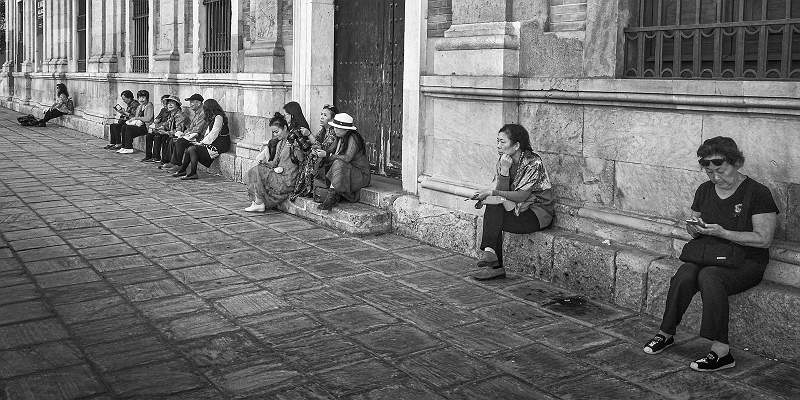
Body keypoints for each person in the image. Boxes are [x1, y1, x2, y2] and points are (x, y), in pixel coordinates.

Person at [643, 136, 778, 372]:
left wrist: (723, 232)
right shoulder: (705, 190)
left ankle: (721, 351)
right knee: (685, 273)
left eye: (721, 170)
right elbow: (694, 228)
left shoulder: (757, 193)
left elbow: (763, 239)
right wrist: (694, 227)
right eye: (709, 172)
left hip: (746, 261)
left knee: (709, 277)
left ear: (736, 163)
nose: (716, 177)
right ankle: (666, 332)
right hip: (710, 254)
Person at [469, 124, 555, 281]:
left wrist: (493, 193)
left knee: (494, 214)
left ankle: (494, 263)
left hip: (536, 214)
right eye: (497, 141)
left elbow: (522, 196)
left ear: (516, 145)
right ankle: (491, 257)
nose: (498, 146)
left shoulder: (533, 162)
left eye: (503, 142)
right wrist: (504, 171)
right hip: (516, 210)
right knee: (493, 209)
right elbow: (503, 196)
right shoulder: (503, 161)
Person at [245, 113, 306, 212]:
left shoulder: (293, 141)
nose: (275, 134)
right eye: (273, 132)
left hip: (288, 179)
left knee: (259, 171)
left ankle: (259, 203)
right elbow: (275, 162)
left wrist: (296, 147)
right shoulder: (280, 143)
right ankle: (257, 202)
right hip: (278, 174)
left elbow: (301, 159)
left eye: (276, 131)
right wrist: (264, 163)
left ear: (285, 128)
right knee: (255, 170)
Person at [312, 113, 371, 211]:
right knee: (333, 163)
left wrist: (327, 155)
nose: (335, 130)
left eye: (338, 128)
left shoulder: (353, 139)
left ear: (346, 129)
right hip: (348, 172)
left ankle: (331, 197)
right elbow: (330, 151)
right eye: (335, 127)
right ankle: (333, 195)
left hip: (360, 175)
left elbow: (347, 158)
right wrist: (320, 151)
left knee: (339, 163)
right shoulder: (339, 137)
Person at [173, 99, 231, 180]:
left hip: (220, 144)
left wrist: (202, 143)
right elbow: (208, 132)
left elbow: (214, 133)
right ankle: (183, 170)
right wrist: (201, 142)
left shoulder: (219, 117)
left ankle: (192, 173)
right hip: (213, 141)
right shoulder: (213, 117)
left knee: (192, 149)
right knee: (190, 148)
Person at [291, 104, 339, 201]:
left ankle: (307, 189)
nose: (321, 117)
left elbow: (322, 147)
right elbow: (316, 142)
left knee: (311, 156)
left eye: (325, 115)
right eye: (321, 114)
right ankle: (304, 188)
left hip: (328, 160)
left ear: (332, 119)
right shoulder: (323, 131)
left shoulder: (333, 132)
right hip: (320, 157)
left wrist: (309, 134)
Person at [164, 93, 207, 170]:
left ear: (199, 103)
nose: (190, 105)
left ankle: (177, 164)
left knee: (180, 141)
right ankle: (172, 162)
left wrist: (185, 134)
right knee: (174, 139)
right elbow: (190, 127)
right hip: (192, 135)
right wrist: (184, 133)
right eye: (190, 102)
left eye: (192, 102)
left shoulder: (202, 113)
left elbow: (197, 130)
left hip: (199, 137)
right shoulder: (197, 113)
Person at [153, 96, 189, 167]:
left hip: (181, 135)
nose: (169, 105)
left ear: (177, 105)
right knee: (157, 135)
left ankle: (168, 161)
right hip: (173, 133)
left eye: (172, 103)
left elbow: (179, 130)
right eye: (168, 103)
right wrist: (160, 128)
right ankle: (160, 159)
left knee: (168, 139)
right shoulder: (172, 114)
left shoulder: (179, 115)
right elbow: (166, 124)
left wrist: (166, 132)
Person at [117, 90, 155, 154]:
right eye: (139, 98)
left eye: (143, 97)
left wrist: (136, 118)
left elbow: (148, 118)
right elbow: (136, 117)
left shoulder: (149, 105)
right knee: (124, 127)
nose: (141, 99)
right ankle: (124, 146)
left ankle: (129, 147)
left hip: (146, 127)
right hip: (138, 125)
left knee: (129, 128)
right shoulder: (139, 106)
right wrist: (131, 120)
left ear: (147, 98)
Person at [141, 94, 171, 162]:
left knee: (157, 136)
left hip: (166, 129)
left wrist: (159, 126)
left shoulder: (171, 111)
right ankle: (148, 156)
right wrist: (156, 120)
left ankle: (156, 157)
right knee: (149, 135)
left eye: (166, 102)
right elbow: (157, 118)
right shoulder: (163, 110)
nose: (164, 104)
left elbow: (168, 123)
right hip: (160, 127)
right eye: (163, 102)